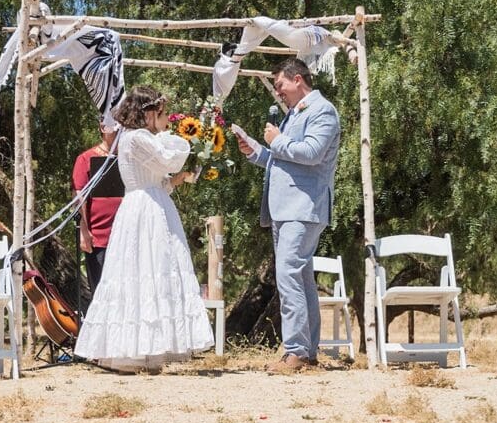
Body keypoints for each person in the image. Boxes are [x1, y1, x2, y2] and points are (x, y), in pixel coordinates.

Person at [74, 85, 214, 373]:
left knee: (155, 271)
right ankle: (132, 349)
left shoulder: (138, 139)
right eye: (161, 113)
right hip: (143, 210)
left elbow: (161, 179)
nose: (165, 118)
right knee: (139, 273)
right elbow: (168, 159)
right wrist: (186, 140)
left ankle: (150, 348)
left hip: (153, 204)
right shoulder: (136, 138)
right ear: (148, 113)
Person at [235, 57, 341, 374]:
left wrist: (277, 140)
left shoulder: (323, 110)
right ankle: (306, 352)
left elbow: (310, 153)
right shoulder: (294, 114)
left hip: (303, 208)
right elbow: (284, 160)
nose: (278, 92)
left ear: (297, 80)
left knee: (288, 275)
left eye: (280, 84)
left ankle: (294, 351)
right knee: (302, 279)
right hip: (285, 208)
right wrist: (256, 150)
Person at [72, 118, 124, 296]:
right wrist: (83, 231)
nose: (118, 131)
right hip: (99, 239)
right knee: (102, 294)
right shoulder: (85, 159)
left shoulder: (129, 159)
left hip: (127, 236)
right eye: (113, 127)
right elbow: (79, 197)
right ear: (102, 128)